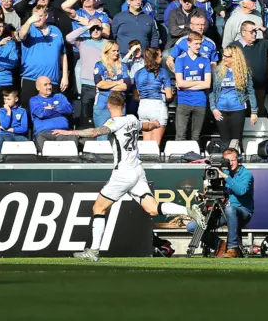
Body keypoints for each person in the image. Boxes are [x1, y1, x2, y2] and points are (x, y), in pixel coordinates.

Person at [52, 92, 204, 262]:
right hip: (138, 170)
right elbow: (144, 126)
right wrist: (154, 124)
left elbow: (95, 132)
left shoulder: (114, 122)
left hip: (123, 172)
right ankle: (188, 210)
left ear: (108, 106)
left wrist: (70, 133)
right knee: (152, 208)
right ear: (123, 105)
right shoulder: (132, 118)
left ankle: (93, 251)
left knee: (98, 208)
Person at [187, 148, 254, 258]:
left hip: (242, 211)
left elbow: (241, 191)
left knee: (230, 209)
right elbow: (219, 193)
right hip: (223, 212)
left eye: (233, 160)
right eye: (227, 161)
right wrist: (204, 196)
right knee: (192, 227)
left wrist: (225, 177)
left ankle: (232, 248)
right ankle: (219, 244)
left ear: (238, 160)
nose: (230, 163)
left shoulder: (246, 174)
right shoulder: (223, 172)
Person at [18, 5, 68, 111]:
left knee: (52, 112)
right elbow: (21, 35)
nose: (37, 19)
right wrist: (29, 21)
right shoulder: (29, 29)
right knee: (28, 111)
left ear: (46, 16)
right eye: (35, 16)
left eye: (40, 16)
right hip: (31, 78)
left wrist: (64, 76)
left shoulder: (56, 31)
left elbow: (63, 54)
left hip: (51, 80)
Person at [209, 45, 258, 147]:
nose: (223, 58)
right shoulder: (218, 70)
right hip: (220, 109)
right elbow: (212, 91)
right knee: (225, 141)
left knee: (236, 140)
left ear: (234, 57)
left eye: (226, 56)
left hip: (238, 108)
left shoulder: (245, 71)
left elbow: (250, 92)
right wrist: (213, 108)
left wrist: (254, 112)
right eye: (223, 56)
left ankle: (236, 160)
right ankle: (225, 161)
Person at [229, 21, 268, 115]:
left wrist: (264, 29)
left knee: (258, 112)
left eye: (255, 32)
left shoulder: (261, 43)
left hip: (259, 87)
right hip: (241, 88)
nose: (254, 34)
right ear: (243, 32)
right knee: (242, 113)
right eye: (251, 32)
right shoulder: (234, 46)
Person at [67, 18, 107, 127]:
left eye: (97, 28)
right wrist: (87, 27)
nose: (95, 31)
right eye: (92, 28)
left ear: (102, 29)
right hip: (87, 86)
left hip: (103, 86)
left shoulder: (107, 44)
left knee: (101, 115)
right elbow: (69, 38)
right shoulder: (83, 43)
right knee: (85, 117)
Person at [174, 31, 212, 142]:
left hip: (200, 102)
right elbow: (180, 83)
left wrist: (186, 85)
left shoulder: (205, 60)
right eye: (196, 43)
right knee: (180, 135)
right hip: (183, 101)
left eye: (200, 44)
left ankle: (194, 159)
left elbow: (207, 84)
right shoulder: (180, 59)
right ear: (188, 43)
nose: (198, 46)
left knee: (196, 137)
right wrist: (199, 83)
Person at [135, 47, 171, 146]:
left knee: (146, 146)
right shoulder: (163, 72)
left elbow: (135, 96)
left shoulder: (138, 73)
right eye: (160, 56)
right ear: (154, 57)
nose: (162, 58)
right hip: (157, 107)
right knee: (155, 145)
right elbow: (169, 95)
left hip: (143, 107)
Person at [93, 41, 129, 139]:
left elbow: (125, 86)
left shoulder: (123, 66)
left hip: (119, 106)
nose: (116, 53)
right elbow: (99, 84)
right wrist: (118, 82)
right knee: (102, 137)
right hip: (102, 105)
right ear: (107, 52)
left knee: (118, 137)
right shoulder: (99, 65)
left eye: (117, 51)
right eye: (113, 51)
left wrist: (107, 84)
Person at [29, 76, 76, 151]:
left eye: (50, 84)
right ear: (38, 87)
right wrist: (60, 110)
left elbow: (69, 109)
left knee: (73, 138)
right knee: (40, 138)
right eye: (45, 85)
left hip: (63, 133)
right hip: (44, 134)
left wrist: (52, 108)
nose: (49, 87)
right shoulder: (34, 100)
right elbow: (42, 113)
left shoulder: (60, 97)